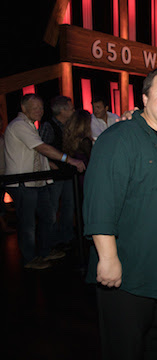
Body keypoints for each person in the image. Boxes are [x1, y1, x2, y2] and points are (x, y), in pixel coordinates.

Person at [83, 67, 157, 360]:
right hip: (129, 275)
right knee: (126, 349)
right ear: (145, 98)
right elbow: (100, 202)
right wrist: (108, 259)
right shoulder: (119, 139)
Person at [4, 94, 85, 269]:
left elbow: (34, 152)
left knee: (48, 216)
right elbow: (41, 147)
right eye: (35, 108)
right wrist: (69, 160)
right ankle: (30, 258)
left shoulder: (30, 126)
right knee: (28, 224)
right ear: (24, 108)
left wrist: (49, 165)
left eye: (41, 108)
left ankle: (45, 251)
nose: (40, 111)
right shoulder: (19, 126)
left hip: (37, 182)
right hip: (23, 183)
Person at [39, 95, 76, 249]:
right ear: (62, 110)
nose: (74, 110)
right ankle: (52, 242)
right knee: (52, 207)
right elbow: (41, 148)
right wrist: (50, 163)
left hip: (67, 172)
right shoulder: (49, 126)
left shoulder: (69, 125)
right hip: (54, 174)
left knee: (69, 205)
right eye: (71, 108)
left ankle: (66, 237)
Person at [63, 109, 93, 196]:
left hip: (75, 176)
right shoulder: (85, 141)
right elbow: (91, 159)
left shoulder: (69, 137)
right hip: (85, 174)